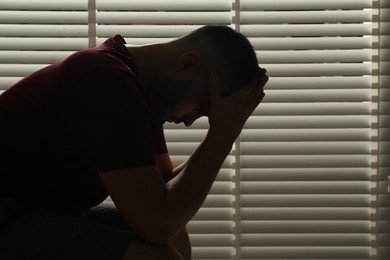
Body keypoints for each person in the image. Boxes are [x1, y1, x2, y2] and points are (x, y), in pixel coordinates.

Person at [0, 25, 268, 260]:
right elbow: (156, 223)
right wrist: (223, 133)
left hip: (39, 212)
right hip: (9, 214)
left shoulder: (136, 90)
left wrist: (224, 131)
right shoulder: (105, 81)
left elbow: (165, 192)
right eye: (201, 106)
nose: (189, 120)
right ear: (187, 64)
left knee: (174, 234)